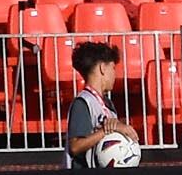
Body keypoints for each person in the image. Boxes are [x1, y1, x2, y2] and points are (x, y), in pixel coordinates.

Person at [59, 40, 142, 168]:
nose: (115, 74)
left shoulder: (108, 104)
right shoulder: (82, 103)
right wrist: (106, 131)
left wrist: (119, 128)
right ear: (103, 68)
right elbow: (75, 147)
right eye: (113, 68)